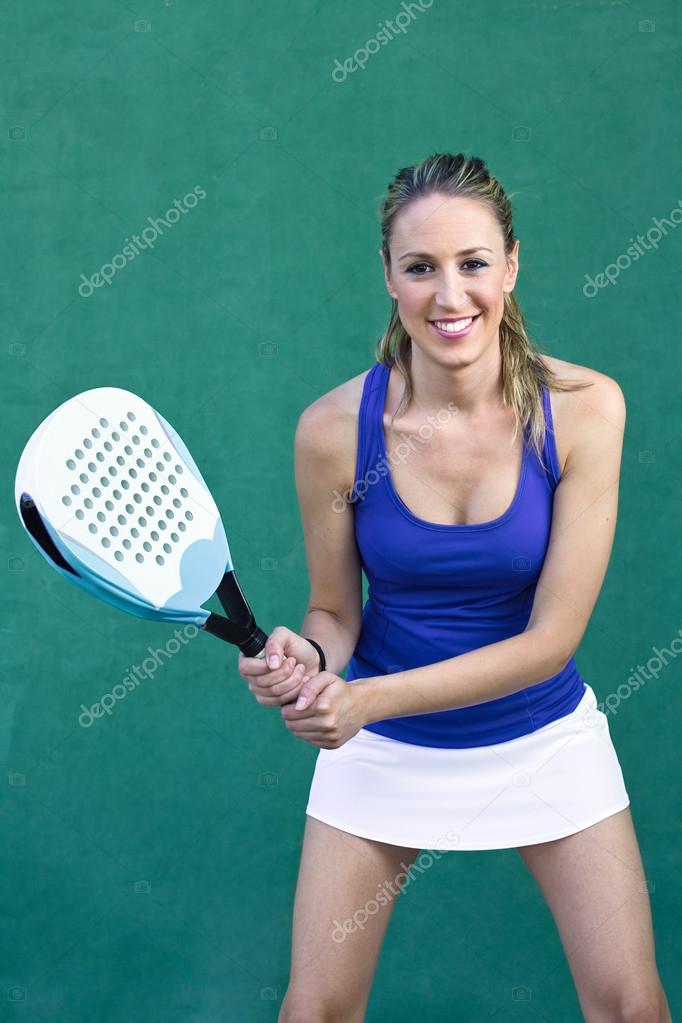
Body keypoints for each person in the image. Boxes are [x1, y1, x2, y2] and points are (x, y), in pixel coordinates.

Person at [238, 153, 671, 1023]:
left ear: (511, 265)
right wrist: (309, 655)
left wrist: (364, 700)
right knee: (314, 1010)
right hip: (384, 746)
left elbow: (550, 640)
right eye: (420, 267)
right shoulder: (333, 431)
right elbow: (336, 610)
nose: (449, 295)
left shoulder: (586, 409)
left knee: (632, 1006)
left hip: (540, 734)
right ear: (388, 276)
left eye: (473, 262)